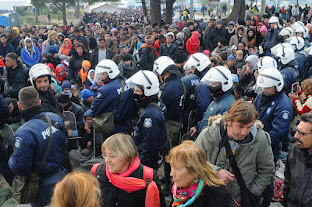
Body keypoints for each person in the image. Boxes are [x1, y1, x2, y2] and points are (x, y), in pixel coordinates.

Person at [195, 99, 275, 205]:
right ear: (229, 121)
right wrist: (215, 172)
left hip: (241, 200)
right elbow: (192, 162)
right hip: (210, 199)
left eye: (249, 127)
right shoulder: (208, 135)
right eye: (240, 126)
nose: (245, 132)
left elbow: (267, 170)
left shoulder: (260, 139)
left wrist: (252, 194)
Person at [8, 86, 67, 207]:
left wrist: (10, 160)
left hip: (42, 185)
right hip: (62, 174)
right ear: (39, 101)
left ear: (19, 105)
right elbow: (65, 142)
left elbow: (20, 167)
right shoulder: (55, 118)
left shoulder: (23, 133)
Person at [91, 133, 165, 207]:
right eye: (105, 155)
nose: (107, 160)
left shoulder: (147, 177)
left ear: (126, 156)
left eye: (112, 156)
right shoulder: (97, 172)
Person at [167, 140, 238, 207]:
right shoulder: (177, 190)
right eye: (171, 167)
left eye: (178, 169)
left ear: (195, 171)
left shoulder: (216, 195)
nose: (171, 173)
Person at [127, 70, 167, 170]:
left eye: (137, 91)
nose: (135, 94)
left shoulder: (150, 115)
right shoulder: (156, 106)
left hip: (147, 162)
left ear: (147, 92)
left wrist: (142, 164)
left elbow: (149, 143)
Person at [253, 68, 293, 163]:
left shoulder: (283, 106)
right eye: (262, 87)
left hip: (270, 147)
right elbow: (253, 112)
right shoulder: (262, 95)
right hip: (257, 138)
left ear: (277, 86)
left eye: (267, 87)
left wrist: (257, 143)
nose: (263, 90)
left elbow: (278, 133)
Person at [91, 59, 134, 136]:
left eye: (103, 74)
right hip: (127, 125)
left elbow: (94, 109)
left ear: (110, 73)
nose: (101, 77)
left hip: (112, 128)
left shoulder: (105, 90)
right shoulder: (126, 82)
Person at [190, 66, 235, 135]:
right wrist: (197, 127)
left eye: (213, 83)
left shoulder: (227, 106)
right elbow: (208, 118)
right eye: (210, 82)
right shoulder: (218, 98)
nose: (209, 85)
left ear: (224, 85)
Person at [283, 112, 312, 207]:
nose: (295, 136)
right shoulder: (294, 151)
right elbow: (288, 182)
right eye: (296, 131)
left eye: (302, 133)